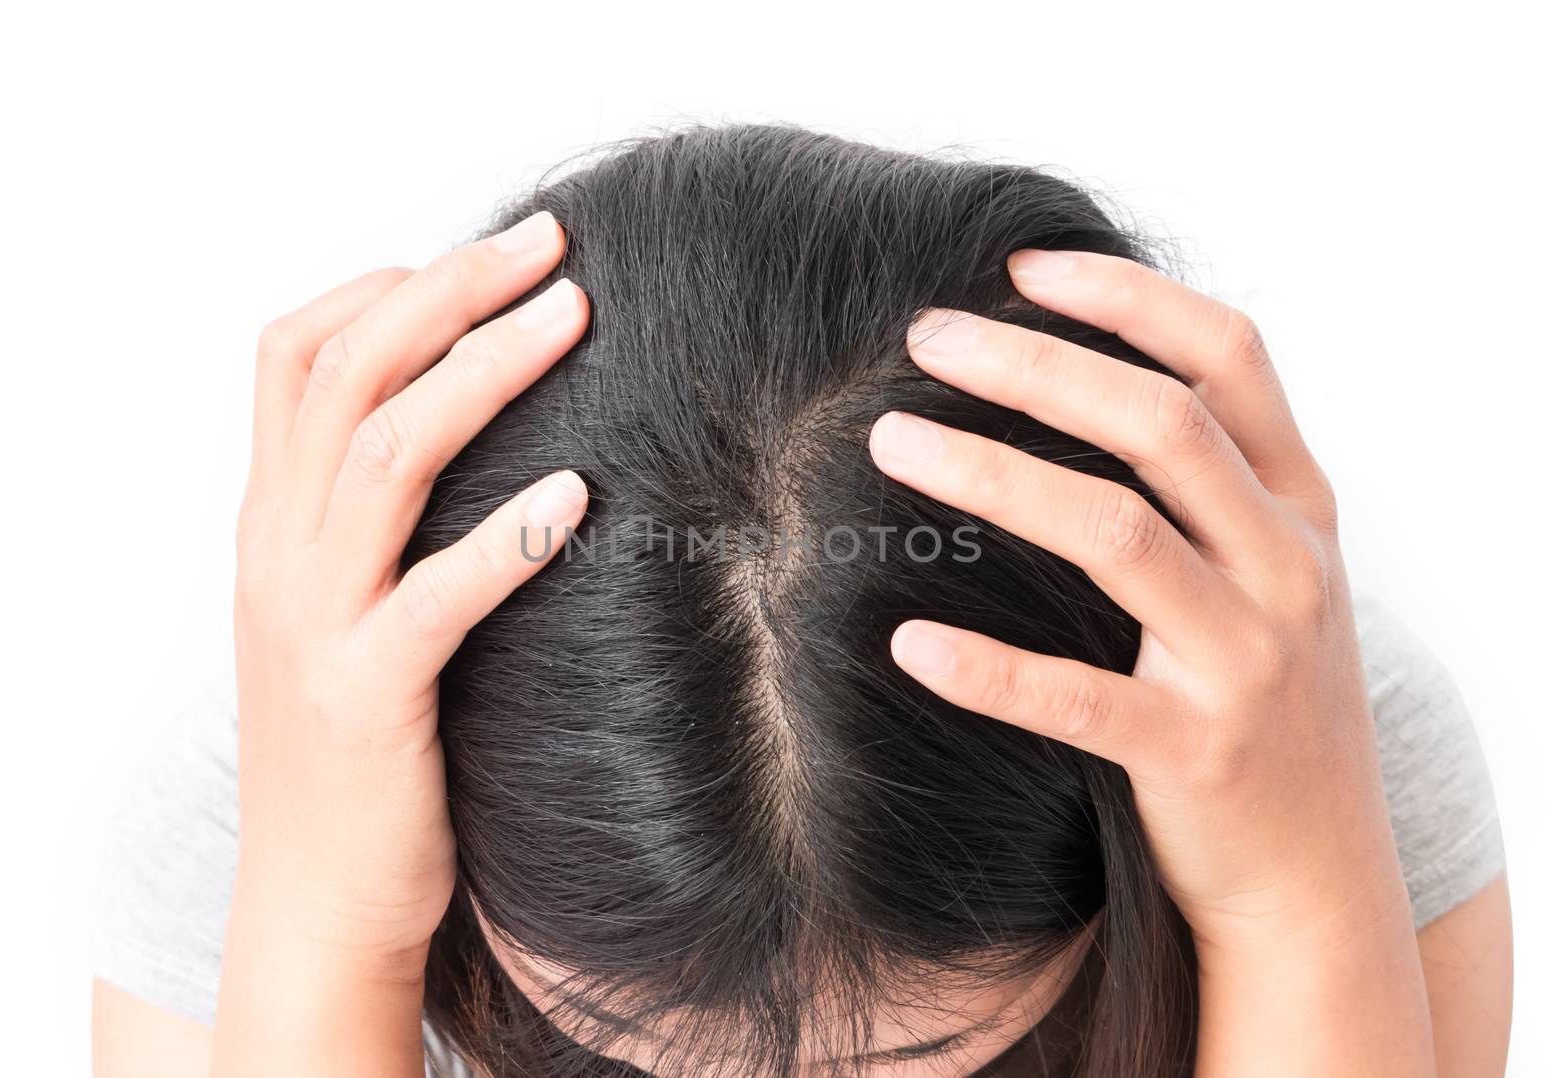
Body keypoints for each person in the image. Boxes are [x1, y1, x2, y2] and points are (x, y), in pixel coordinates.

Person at [91, 124, 1511, 1077]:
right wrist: (330, 928)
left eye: (898, 1059)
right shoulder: (285, 811)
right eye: (622, 1038)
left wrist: (1298, 912)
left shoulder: (1308, 756)